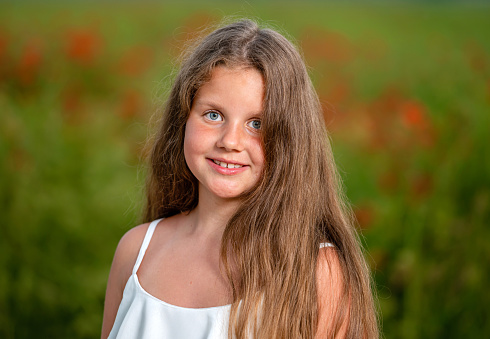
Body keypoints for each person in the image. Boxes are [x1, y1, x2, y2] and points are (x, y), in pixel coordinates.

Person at [101, 19, 379, 339]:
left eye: (257, 124)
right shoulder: (135, 252)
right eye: (213, 115)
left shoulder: (315, 271)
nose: (230, 141)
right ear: (184, 119)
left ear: (291, 138)